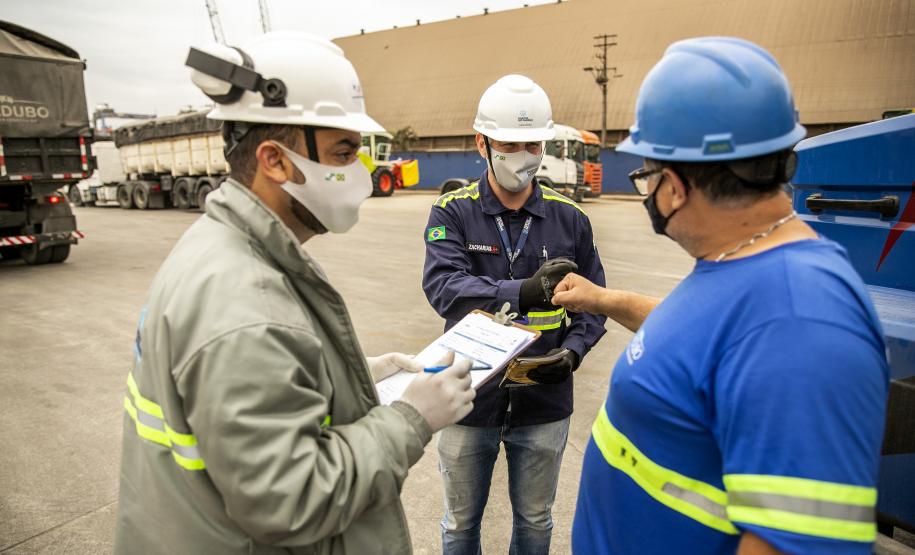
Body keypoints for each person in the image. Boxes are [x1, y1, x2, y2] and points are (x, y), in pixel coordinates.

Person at [114, 32, 475, 555]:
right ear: (275, 160)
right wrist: (411, 419)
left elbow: (254, 389)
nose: (361, 173)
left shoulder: (221, 247)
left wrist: (350, 378)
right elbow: (291, 500)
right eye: (344, 153)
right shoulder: (244, 307)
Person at [555, 37, 889, 555]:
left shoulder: (801, 319)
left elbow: (795, 544)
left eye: (647, 175)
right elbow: (706, 346)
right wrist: (603, 299)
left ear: (676, 185)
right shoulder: (743, 266)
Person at [422, 74, 607, 554]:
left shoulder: (572, 219)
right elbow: (445, 289)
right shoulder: (452, 213)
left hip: (543, 401)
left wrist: (574, 351)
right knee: (460, 524)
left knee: (535, 521)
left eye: (533, 143)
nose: (524, 154)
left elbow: (594, 300)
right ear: (482, 141)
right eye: (511, 143)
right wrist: (521, 292)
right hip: (468, 394)